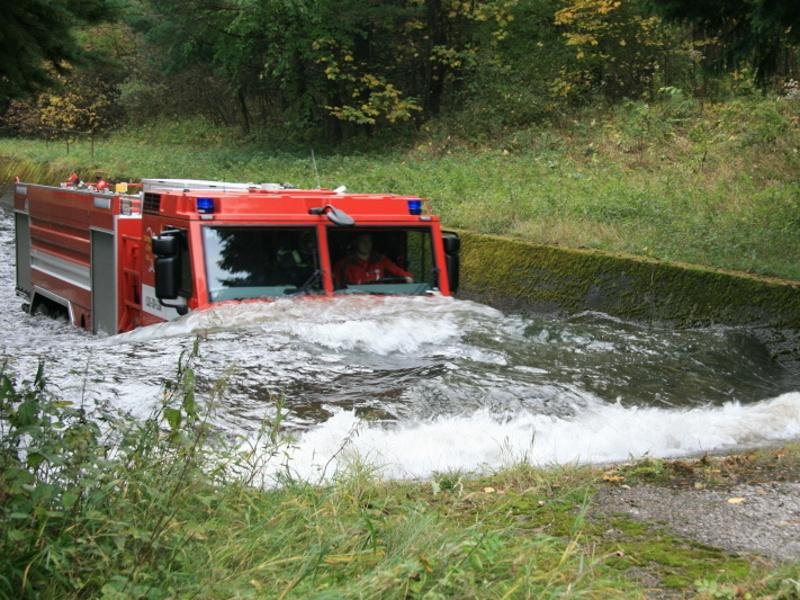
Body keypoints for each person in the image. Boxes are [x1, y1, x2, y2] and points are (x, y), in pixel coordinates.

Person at [335, 234, 413, 285]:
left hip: (379, 299)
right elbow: (335, 286)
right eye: (363, 241)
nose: (367, 244)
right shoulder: (344, 264)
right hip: (354, 300)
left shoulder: (381, 260)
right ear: (356, 243)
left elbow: (397, 271)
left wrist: (407, 277)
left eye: (369, 241)